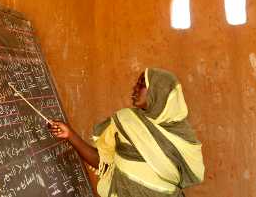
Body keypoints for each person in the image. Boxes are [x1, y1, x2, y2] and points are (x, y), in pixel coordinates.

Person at [49, 68, 205, 197]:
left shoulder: (184, 138)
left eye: (142, 84)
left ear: (159, 91)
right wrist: (70, 135)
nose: (134, 88)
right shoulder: (125, 121)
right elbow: (102, 163)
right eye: (137, 83)